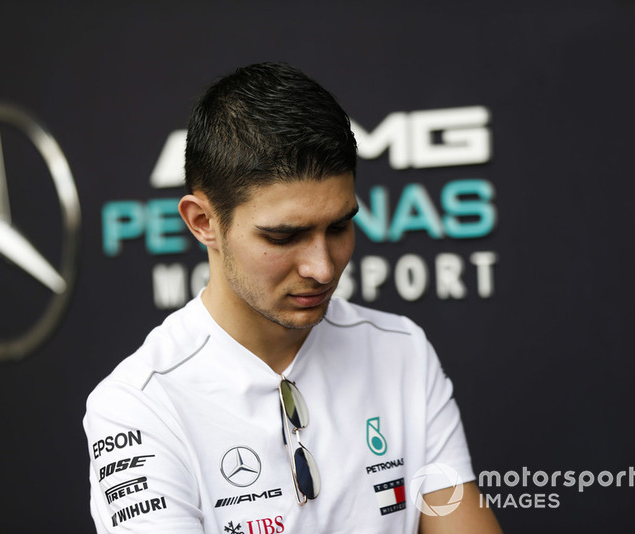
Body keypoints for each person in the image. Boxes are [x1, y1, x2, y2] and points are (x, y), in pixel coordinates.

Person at [83, 62, 502, 533]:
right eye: (284, 237)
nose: (323, 268)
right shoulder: (139, 405)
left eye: (340, 226)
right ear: (203, 222)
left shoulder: (400, 351)